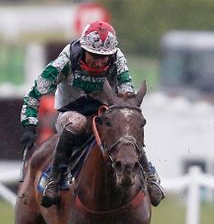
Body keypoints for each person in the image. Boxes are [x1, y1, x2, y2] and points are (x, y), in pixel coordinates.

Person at [19, 20, 164, 208]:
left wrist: (125, 115)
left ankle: (149, 175)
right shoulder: (65, 61)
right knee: (77, 123)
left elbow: (127, 95)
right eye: (94, 55)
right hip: (71, 112)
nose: (99, 61)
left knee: (125, 125)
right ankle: (54, 180)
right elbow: (35, 92)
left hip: (103, 113)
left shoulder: (117, 59)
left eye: (104, 57)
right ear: (84, 49)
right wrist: (29, 124)